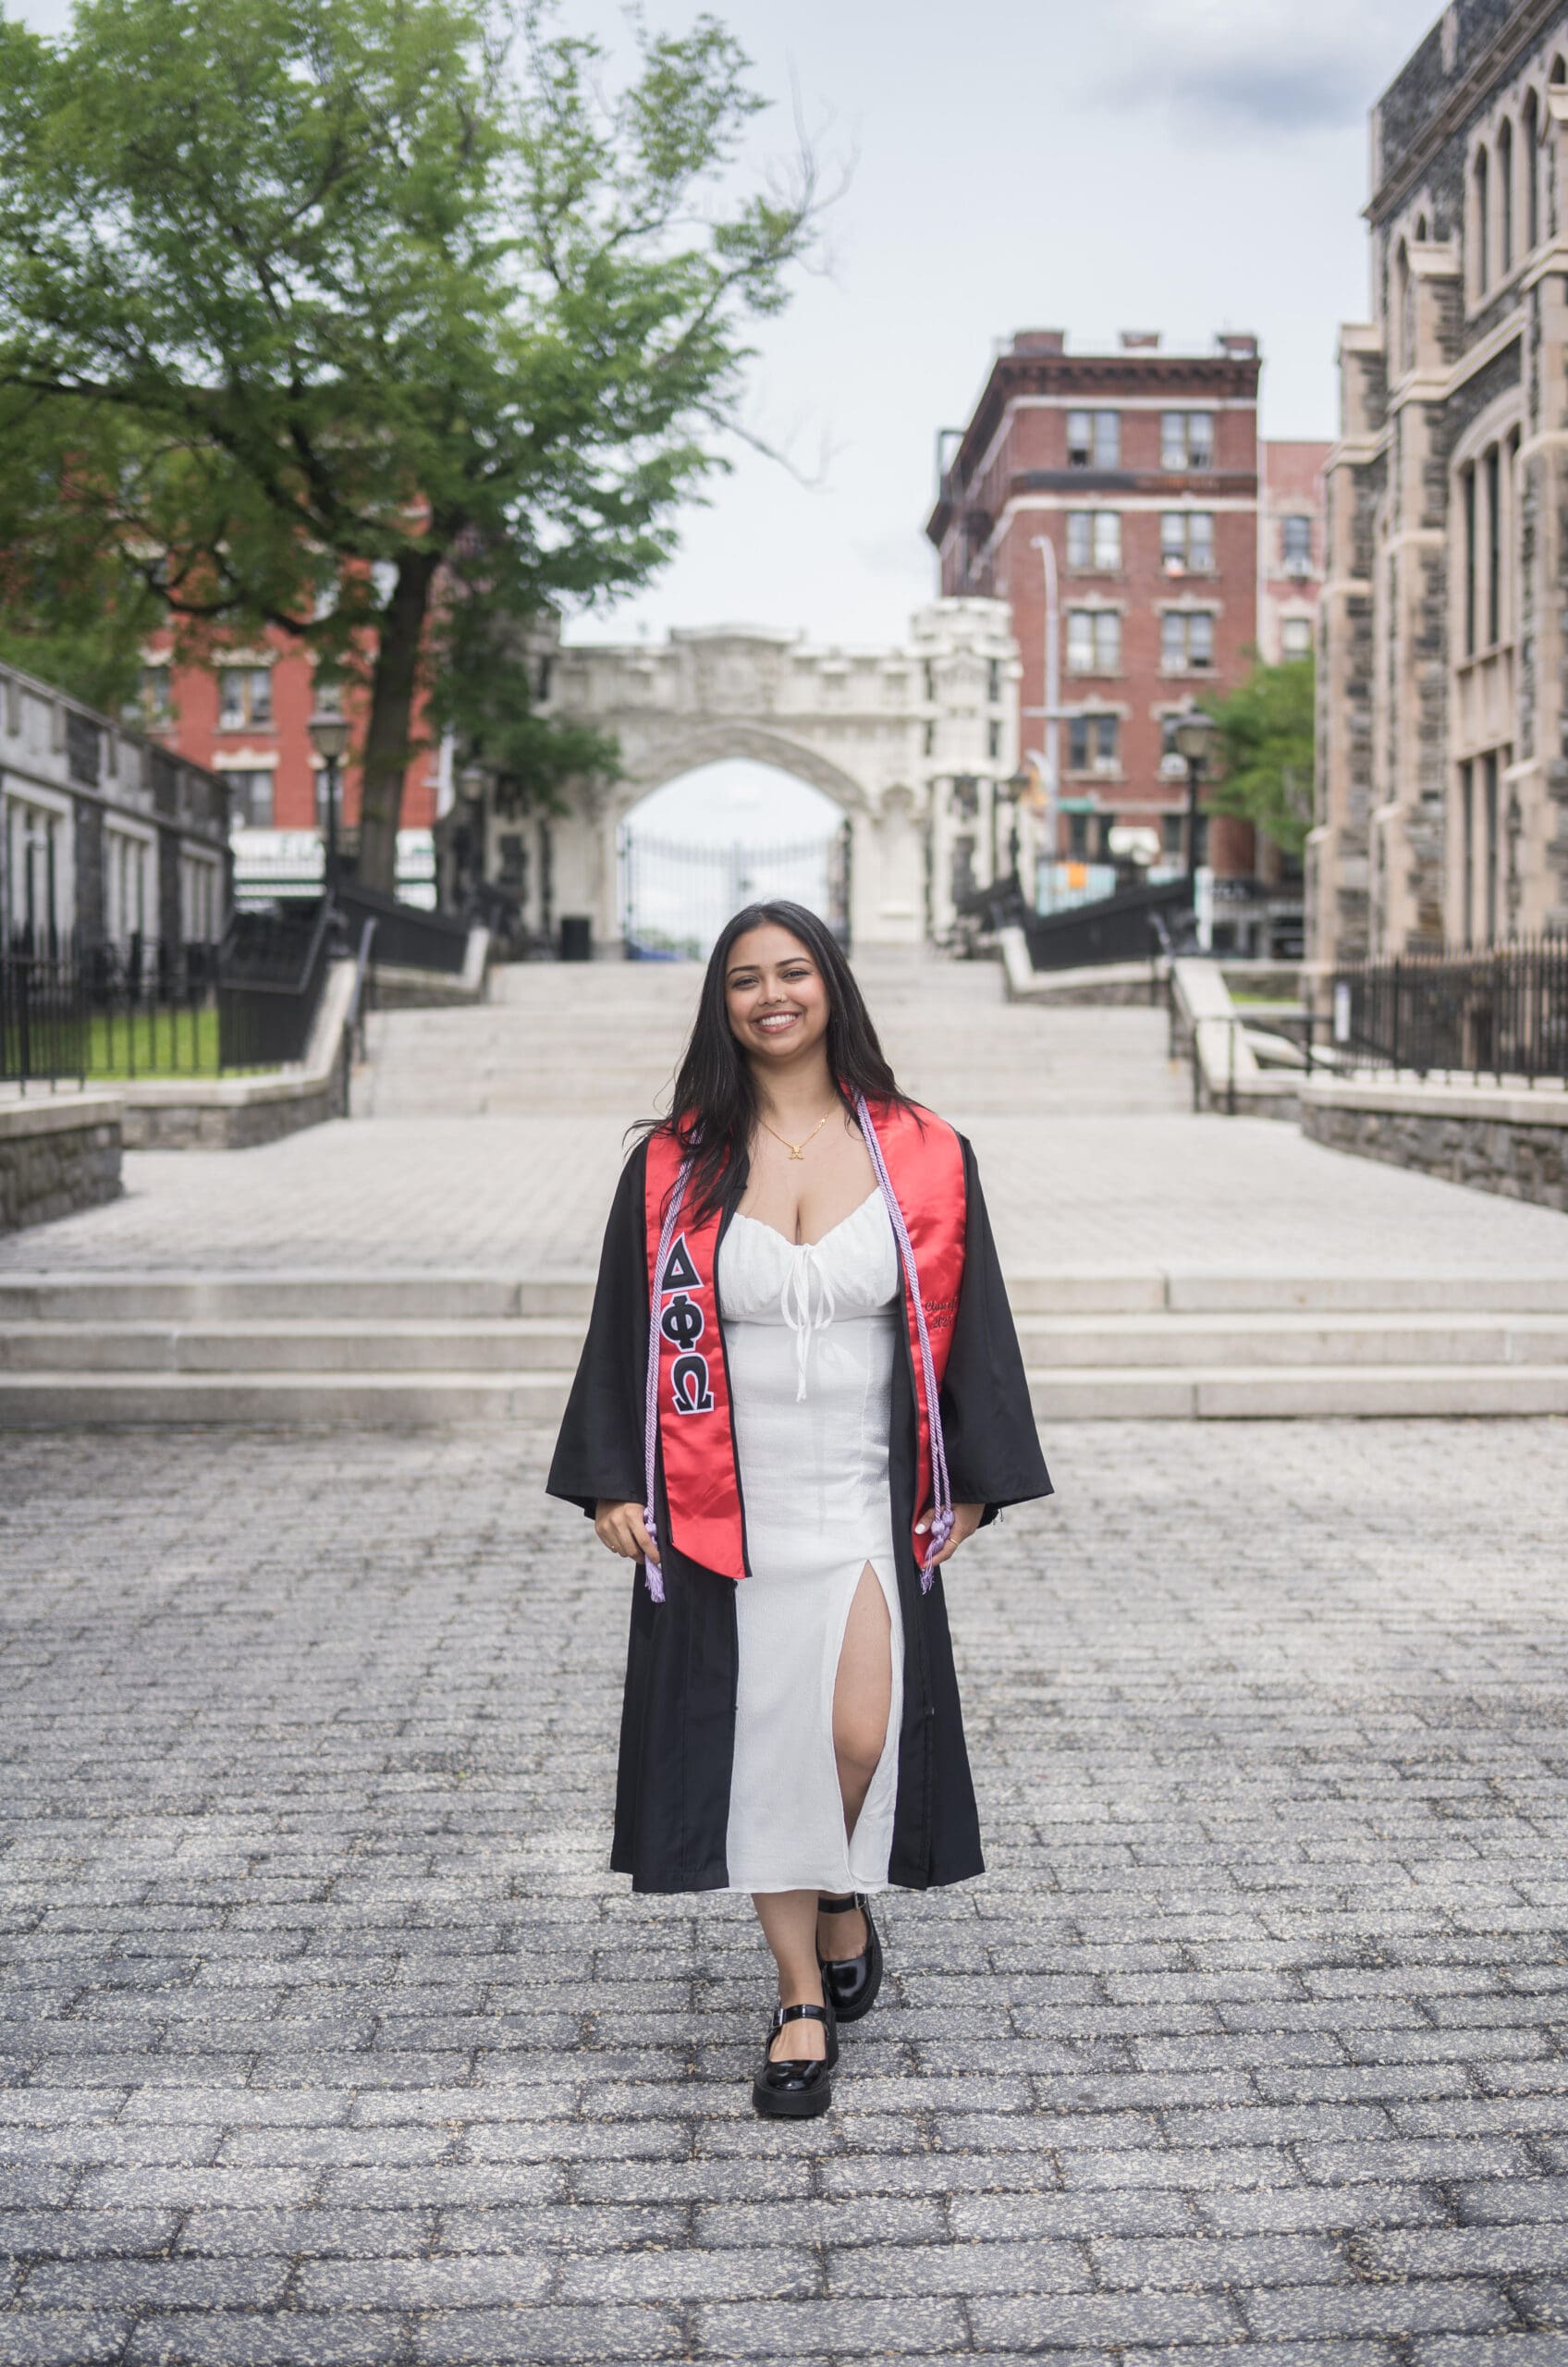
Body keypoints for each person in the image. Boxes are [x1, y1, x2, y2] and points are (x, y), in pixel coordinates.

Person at [546, 902, 1051, 2117]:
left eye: (792, 973)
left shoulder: (921, 1151)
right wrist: (616, 1477)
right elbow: (623, 1324)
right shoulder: (672, 1163)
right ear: (719, 1007)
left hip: (860, 1502)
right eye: (743, 982)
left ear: (831, 985)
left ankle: (837, 1893)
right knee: (760, 1748)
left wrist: (972, 1476)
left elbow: (972, 1314)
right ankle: (797, 1998)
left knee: (859, 1739)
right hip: (726, 1496)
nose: (771, 997)